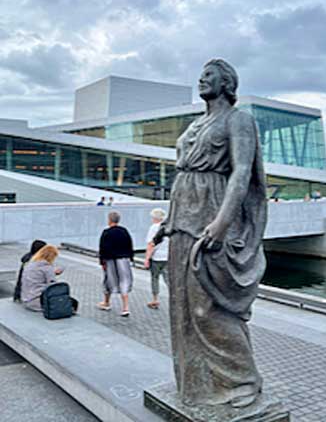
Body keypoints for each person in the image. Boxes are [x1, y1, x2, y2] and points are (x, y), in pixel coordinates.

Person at [158, 59, 267, 408]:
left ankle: (243, 380)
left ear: (226, 83)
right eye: (201, 74)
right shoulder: (195, 124)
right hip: (182, 219)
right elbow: (183, 176)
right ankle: (199, 384)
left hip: (211, 215)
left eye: (209, 76)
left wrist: (221, 223)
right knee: (183, 306)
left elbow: (241, 173)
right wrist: (167, 222)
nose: (201, 80)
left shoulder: (239, 120)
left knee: (208, 307)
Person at [98, 211, 134, 316]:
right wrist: (130, 258)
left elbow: (102, 248)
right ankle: (125, 307)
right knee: (124, 281)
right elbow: (129, 245)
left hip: (110, 260)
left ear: (109, 220)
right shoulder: (124, 231)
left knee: (108, 280)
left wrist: (102, 261)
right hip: (124, 259)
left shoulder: (106, 232)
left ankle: (106, 302)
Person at [21, 244, 64, 311]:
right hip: (37, 302)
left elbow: (38, 276)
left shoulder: (30, 264)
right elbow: (53, 287)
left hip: (26, 299)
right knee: (70, 303)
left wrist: (52, 273)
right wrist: (52, 273)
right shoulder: (47, 268)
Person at [144, 208, 169, 309]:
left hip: (156, 257)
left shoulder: (154, 227)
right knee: (168, 280)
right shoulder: (168, 227)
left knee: (155, 278)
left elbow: (151, 244)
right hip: (167, 257)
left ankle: (155, 300)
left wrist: (147, 259)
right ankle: (174, 299)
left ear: (155, 218)